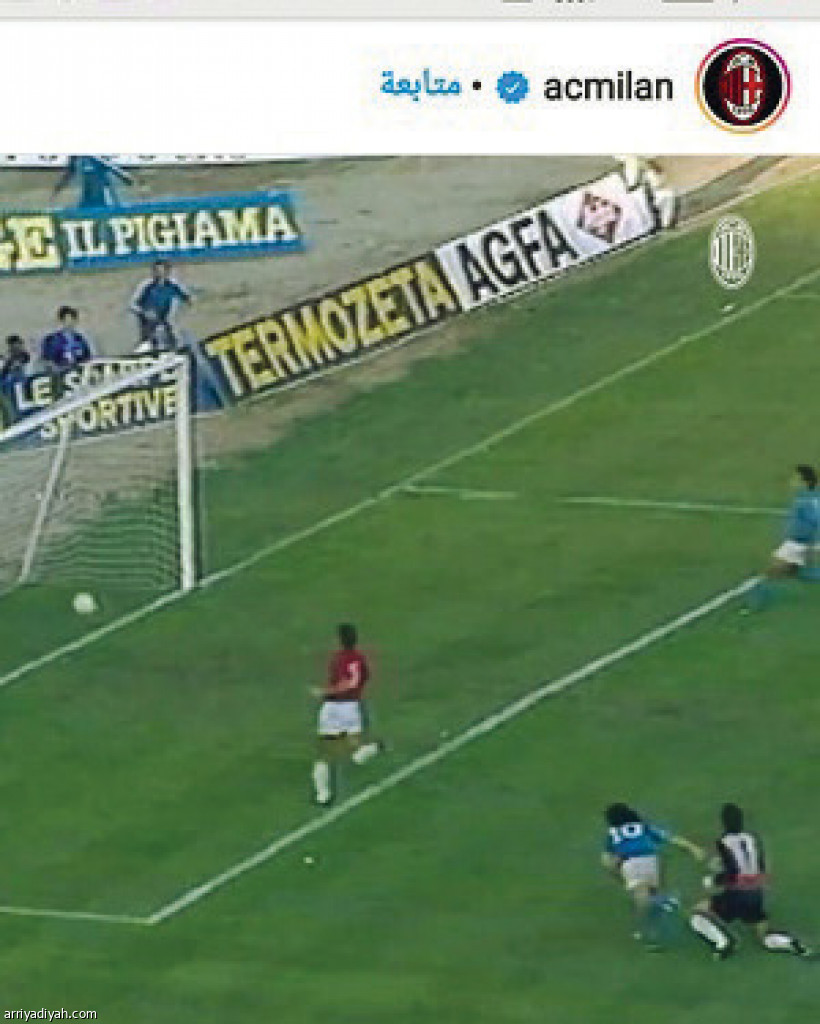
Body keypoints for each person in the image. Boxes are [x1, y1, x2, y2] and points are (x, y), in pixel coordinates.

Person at [688, 803, 811, 960]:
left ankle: (724, 943)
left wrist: (713, 880)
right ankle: (792, 944)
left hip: (736, 895)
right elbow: (759, 864)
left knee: (697, 914)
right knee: (763, 936)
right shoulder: (752, 838)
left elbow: (732, 873)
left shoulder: (723, 842)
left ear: (724, 822)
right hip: (756, 893)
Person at [602, 803, 705, 948]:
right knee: (651, 895)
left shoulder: (613, 833)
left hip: (631, 863)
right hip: (653, 860)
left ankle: (648, 934)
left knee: (642, 900)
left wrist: (617, 875)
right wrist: (693, 848)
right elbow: (670, 838)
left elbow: (606, 861)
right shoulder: (643, 827)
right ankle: (665, 906)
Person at [311, 623, 383, 806]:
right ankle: (373, 748)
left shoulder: (339, 659)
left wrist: (326, 692)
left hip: (333, 708)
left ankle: (323, 794)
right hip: (351, 707)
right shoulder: (359, 659)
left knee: (325, 753)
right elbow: (360, 680)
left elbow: (347, 683)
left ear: (339, 640)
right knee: (354, 748)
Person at [747, 465, 820, 609]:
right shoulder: (806, 497)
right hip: (797, 542)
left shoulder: (808, 500)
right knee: (784, 571)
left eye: (796, 478)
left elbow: (815, 522)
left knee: (774, 571)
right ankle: (757, 602)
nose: (792, 481)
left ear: (804, 481)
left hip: (801, 543)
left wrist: (811, 546)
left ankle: (756, 604)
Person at [130, 259, 191, 349]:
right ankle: (145, 348)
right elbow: (132, 304)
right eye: (156, 271)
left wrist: (186, 304)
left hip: (167, 316)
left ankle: (179, 348)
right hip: (148, 317)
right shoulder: (146, 285)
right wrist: (143, 313)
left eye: (162, 271)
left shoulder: (174, 284)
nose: (159, 274)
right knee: (148, 338)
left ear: (168, 271)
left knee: (172, 327)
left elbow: (187, 297)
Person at [52, 156, 135, 209]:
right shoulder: (76, 158)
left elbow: (109, 165)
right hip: (88, 194)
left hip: (102, 194)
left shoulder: (97, 158)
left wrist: (122, 175)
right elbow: (70, 172)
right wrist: (59, 187)